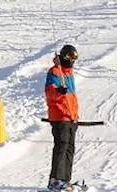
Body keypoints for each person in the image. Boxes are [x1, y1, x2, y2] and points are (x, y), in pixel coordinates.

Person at [44, 44, 80, 192]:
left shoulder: (69, 73)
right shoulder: (55, 71)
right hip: (60, 116)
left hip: (71, 116)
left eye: (74, 57)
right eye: (69, 56)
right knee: (61, 146)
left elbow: (71, 97)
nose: (72, 60)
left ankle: (65, 179)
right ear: (63, 56)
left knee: (70, 148)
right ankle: (55, 180)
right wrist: (58, 90)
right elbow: (49, 92)